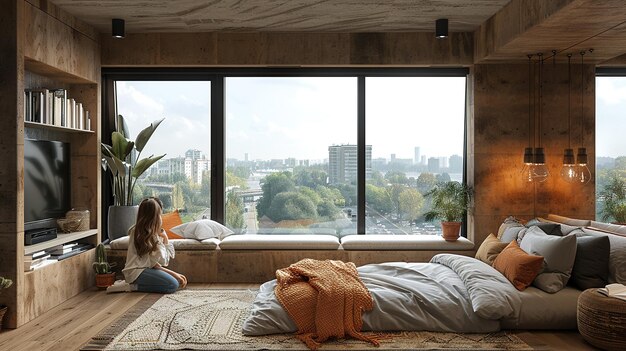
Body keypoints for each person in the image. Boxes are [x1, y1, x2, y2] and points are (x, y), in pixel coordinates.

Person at [107, 197, 187, 293]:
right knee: (172, 285)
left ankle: (132, 284)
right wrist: (165, 239)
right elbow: (164, 261)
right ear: (155, 217)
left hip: (137, 272)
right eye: (160, 214)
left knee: (174, 282)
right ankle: (131, 287)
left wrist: (174, 274)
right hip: (137, 273)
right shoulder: (151, 236)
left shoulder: (136, 231)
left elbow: (155, 265)